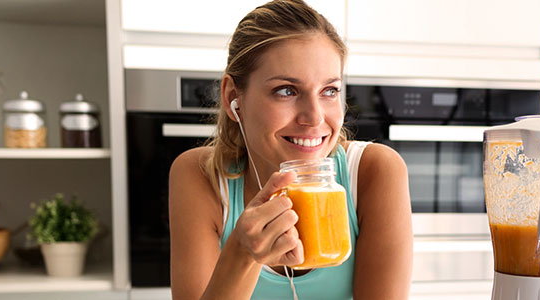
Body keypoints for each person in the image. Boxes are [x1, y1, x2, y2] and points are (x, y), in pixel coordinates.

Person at [168, 0, 413, 299]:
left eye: (329, 91)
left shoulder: (374, 171)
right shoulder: (200, 176)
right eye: (286, 90)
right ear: (234, 97)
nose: (315, 117)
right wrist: (243, 255)